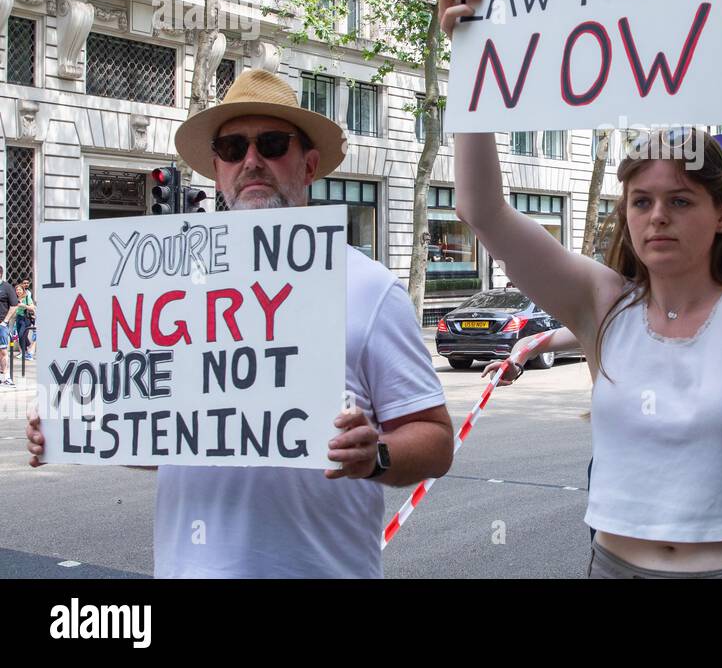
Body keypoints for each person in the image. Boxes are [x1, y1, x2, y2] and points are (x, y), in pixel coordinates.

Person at [443, 0, 722, 578]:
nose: (656, 216)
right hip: (610, 565)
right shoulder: (601, 305)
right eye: (641, 201)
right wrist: (469, 57)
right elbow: (482, 210)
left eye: (679, 200)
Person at [27, 69, 455, 578]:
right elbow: (176, 443)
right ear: (217, 169)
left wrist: (376, 455)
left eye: (272, 143)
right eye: (233, 148)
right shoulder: (175, 290)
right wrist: (89, 427)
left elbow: (435, 439)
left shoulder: (369, 288)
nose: (251, 161)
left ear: (309, 163)